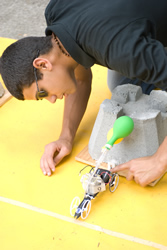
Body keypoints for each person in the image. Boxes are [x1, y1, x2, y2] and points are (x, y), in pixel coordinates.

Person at [0, 0, 167, 186]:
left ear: (42, 64)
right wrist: (65, 137)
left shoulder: (120, 50)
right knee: (121, 84)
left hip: (124, 34)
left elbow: (117, 49)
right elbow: (79, 77)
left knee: (127, 74)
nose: (52, 100)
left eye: (42, 93)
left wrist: (159, 161)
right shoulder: (56, 14)